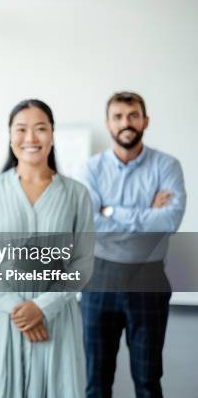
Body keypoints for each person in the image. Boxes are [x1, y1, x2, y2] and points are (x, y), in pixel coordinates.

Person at [0, 99, 93, 397]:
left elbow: (83, 263)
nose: (31, 138)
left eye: (40, 129)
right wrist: (18, 309)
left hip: (57, 320)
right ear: (10, 135)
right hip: (3, 320)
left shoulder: (76, 194)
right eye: (21, 129)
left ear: (52, 134)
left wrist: (43, 308)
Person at [80, 92, 186, 398]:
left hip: (149, 279)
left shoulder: (167, 166)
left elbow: (170, 221)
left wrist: (110, 211)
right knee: (96, 382)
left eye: (133, 115)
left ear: (145, 121)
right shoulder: (91, 169)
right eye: (118, 116)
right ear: (108, 123)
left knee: (148, 379)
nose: (126, 123)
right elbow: (90, 224)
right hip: (99, 278)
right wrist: (147, 213)